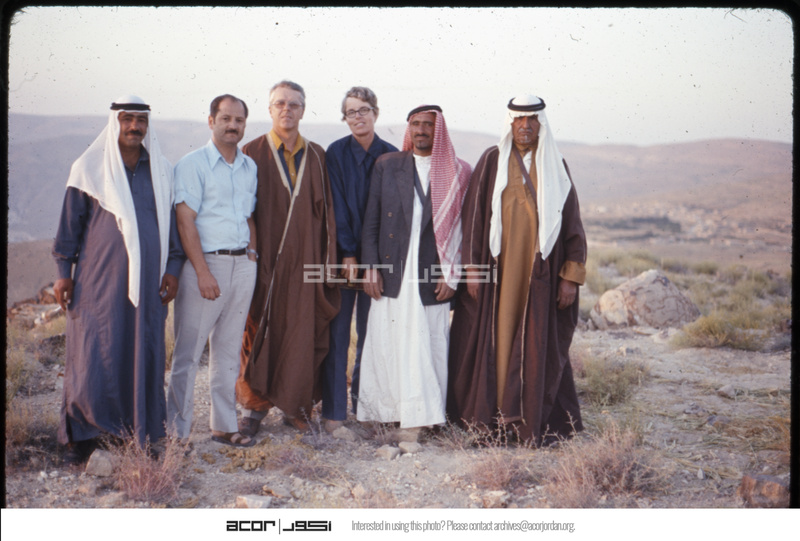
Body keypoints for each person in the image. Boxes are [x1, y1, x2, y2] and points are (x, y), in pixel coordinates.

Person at [447, 94, 587, 446]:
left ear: (541, 124)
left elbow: (572, 222)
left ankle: (528, 423)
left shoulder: (556, 164)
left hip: (540, 275)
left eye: (532, 120)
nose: (525, 126)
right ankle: (491, 421)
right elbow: (474, 217)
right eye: (519, 120)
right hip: (497, 275)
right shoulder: (492, 160)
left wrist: (570, 277)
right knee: (495, 340)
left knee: (536, 346)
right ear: (510, 123)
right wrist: (473, 270)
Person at [53, 95, 184, 462]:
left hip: (149, 284)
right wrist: (63, 274)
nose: (134, 126)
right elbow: (69, 226)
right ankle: (85, 437)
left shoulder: (161, 170)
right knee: (94, 353)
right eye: (127, 119)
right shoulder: (89, 167)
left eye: (141, 120)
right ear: (115, 122)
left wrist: (173, 269)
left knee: (143, 353)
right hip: (98, 283)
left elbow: (171, 227)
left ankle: (139, 433)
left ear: (148, 125)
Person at [356, 105, 471, 436]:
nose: (421, 130)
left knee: (427, 343)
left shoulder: (460, 171)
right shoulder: (388, 165)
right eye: (416, 124)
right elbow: (372, 220)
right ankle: (387, 413)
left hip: (432, 274)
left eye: (428, 125)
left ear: (439, 130)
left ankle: (424, 417)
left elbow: (464, 230)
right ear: (409, 129)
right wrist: (371, 268)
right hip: (392, 269)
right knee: (387, 341)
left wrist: (452, 275)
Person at [236, 80, 340, 435]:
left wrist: (328, 263)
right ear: (269, 109)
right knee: (257, 330)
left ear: (303, 110)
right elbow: (242, 210)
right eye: (280, 103)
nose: (286, 109)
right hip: (264, 261)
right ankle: (253, 409)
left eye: (294, 104)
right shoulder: (251, 152)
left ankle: (296, 407)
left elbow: (327, 214)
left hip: (306, 261)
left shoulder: (317, 155)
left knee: (301, 332)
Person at [166, 94, 258, 448]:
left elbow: (249, 215)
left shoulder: (249, 167)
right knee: (188, 354)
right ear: (211, 121)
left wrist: (252, 253)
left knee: (229, 349)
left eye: (239, 120)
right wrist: (202, 272)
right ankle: (177, 433)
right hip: (205, 264)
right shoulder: (192, 164)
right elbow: (185, 220)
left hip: (242, 265)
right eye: (225, 119)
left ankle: (223, 425)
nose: (232, 125)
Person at [321, 87, 398, 433]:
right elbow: (336, 205)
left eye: (364, 110)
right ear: (345, 118)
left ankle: (366, 409)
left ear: (375, 113)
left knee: (372, 336)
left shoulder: (392, 156)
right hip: (344, 259)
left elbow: (391, 214)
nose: (358, 117)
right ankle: (335, 413)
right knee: (339, 335)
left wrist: (375, 264)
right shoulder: (335, 153)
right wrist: (349, 253)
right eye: (351, 112)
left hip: (379, 264)